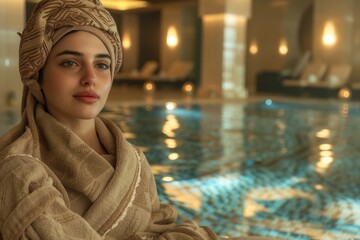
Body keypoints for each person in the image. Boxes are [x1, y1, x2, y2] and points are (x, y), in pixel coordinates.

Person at [0, 0, 221, 239]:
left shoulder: (134, 160)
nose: (90, 78)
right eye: (70, 63)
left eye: (102, 65)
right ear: (38, 75)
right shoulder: (21, 172)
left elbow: (159, 222)